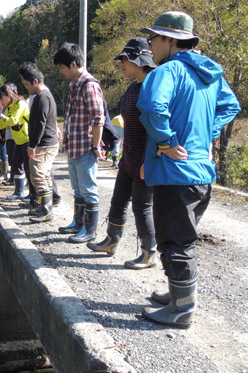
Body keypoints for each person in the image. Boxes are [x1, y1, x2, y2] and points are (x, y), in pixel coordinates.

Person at [137, 11, 240, 328]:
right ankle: (176, 295)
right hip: (200, 173)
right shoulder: (210, 75)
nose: (150, 45)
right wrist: (207, 133)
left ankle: (182, 309)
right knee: (181, 237)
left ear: (170, 39)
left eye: (153, 39)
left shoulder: (167, 72)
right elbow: (230, 106)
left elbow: (154, 106)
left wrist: (166, 142)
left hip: (175, 173)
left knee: (175, 242)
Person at [87, 37, 158, 270]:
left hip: (145, 159)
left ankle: (149, 253)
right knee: (118, 200)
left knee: (141, 206)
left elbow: (155, 126)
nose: (121, 63)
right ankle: (111, 241)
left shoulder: (153, 86)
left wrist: (148, 161)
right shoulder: (134, 86)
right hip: (129, 156)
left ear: (141, 60)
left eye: (125, 59)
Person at [53, 42, 105, 243]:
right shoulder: (74, 84)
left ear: (73, 64)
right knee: (78, 189)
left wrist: (95, 145)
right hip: (73, 147)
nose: (61, 71)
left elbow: (97, 117)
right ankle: (78, 223)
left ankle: (90, 231)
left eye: (62, 67)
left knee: (89, 190)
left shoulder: (89, 85)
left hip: (85, 147)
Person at [19, 63, 59, 222]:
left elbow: (40, 123)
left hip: (44, 144)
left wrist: (32, 145)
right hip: (48, 143)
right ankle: (44, 208)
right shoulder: (46, 95)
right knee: (45, 176)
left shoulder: (42, 97)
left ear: (35, 81)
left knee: (38, 176)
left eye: (27, 85)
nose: (26, 88)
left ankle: (47, 211)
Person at [0, 85, 30, 200]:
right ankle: (18, 192)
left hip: (27, 140)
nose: (0, 101)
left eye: (1, 98)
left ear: (8, 96)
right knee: (16, 166)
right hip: (18, 141)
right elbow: (2, 125)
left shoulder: (20, 104)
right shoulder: (10, 107)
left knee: (28, 168)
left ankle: (32, 195)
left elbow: (13, 121)